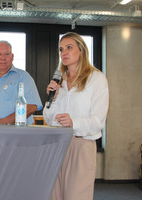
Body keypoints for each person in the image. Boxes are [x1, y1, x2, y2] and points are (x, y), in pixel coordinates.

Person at [43, 32, 109, 200]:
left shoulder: (96, 79)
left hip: (82, 145)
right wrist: (53, 98)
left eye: (69, 48)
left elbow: (98, 121)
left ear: (81, 50)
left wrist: (74, 122)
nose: (64, 53)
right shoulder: (60, 81)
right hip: (57, 145)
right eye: (61, 49)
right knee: (54, 196)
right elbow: (50, 119)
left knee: (76, 196)